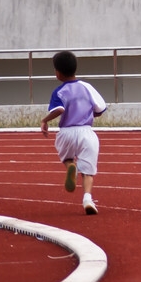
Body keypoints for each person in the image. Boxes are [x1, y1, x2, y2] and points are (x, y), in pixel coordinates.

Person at [40, 50, 107, 215]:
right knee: (88, 171)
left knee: (67, 158)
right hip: (86, 132)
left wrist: (45, 120)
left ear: (57, 72)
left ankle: (71, 167)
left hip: (66, 133)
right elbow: (100, 109)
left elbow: (59, 109)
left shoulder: (59, 91)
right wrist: (89, 113)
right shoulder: (87, 87)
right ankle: (87, 199)